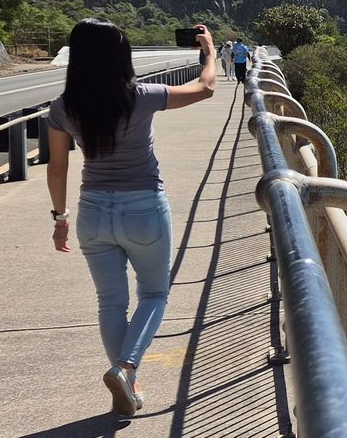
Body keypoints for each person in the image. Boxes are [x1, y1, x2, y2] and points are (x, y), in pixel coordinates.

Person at [45, 20, 220, 416]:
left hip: (91, 211)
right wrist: (208, 53)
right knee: (155, 294)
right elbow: (205, 88)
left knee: (110, 302)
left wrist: (60, 219)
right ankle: (126, 368)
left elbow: (57, 169)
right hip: (143, 207)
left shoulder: (63, 107)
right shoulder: (140, 96)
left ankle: (129, 381)